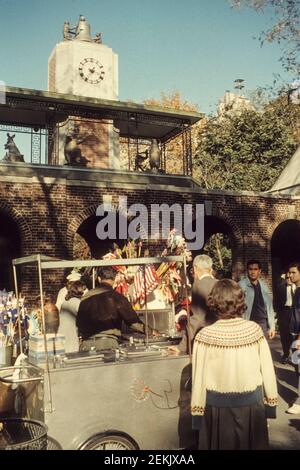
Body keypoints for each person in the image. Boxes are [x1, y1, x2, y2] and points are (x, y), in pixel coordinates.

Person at [191, 279, 277, 450]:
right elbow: (267, 369)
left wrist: (197, 415)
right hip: (252, 408)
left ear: (213, 302)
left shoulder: (204, 336)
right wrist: (271, 405)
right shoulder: (254, 330)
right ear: (240, 301)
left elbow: (198, 379)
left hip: (217, 412)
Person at [76, 266, 159, 351]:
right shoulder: (117, 297)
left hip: (86, 344)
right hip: (107, 344)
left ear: (99, 279)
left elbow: (79, 322)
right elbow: (133, 322)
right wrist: (150, 331)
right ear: (114, 279)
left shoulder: (85, 297)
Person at [170, 255, 217, 354]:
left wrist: (181, 347)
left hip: (205, 340)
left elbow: (197, 319)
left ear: (195, 269)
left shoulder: (198, 285)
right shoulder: (219, 283)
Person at [239, 260, 275, 340]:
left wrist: (272, 327)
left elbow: (269, 307)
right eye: (250, 269)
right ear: (247, 270)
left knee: (262, 350)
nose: (253, 272)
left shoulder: (264, 286)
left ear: (259, 271)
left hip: (262, 323)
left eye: (255, 269)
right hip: (247, 323)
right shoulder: (241, 285)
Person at [286, 262, 300, 414]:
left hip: (299, 336)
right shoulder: (297, 291)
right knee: (296, 365)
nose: (290, 275)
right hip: (294, 334)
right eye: (289, 272)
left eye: (293, 272)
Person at [58, 280, 85, 353]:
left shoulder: (65, 303)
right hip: (71, 338)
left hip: (61, 338)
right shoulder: (78, 303)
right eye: (84, 290)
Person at [275, 271, 295, 363]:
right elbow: (276, 302)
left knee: (294, 335)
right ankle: (286, 354)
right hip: (284, 312)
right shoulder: (281, 288)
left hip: (295, 312)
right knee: (284, 335)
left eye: (291, 278)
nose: (289, 280)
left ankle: (295, 356)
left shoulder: (297, 288)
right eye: (287, 278)